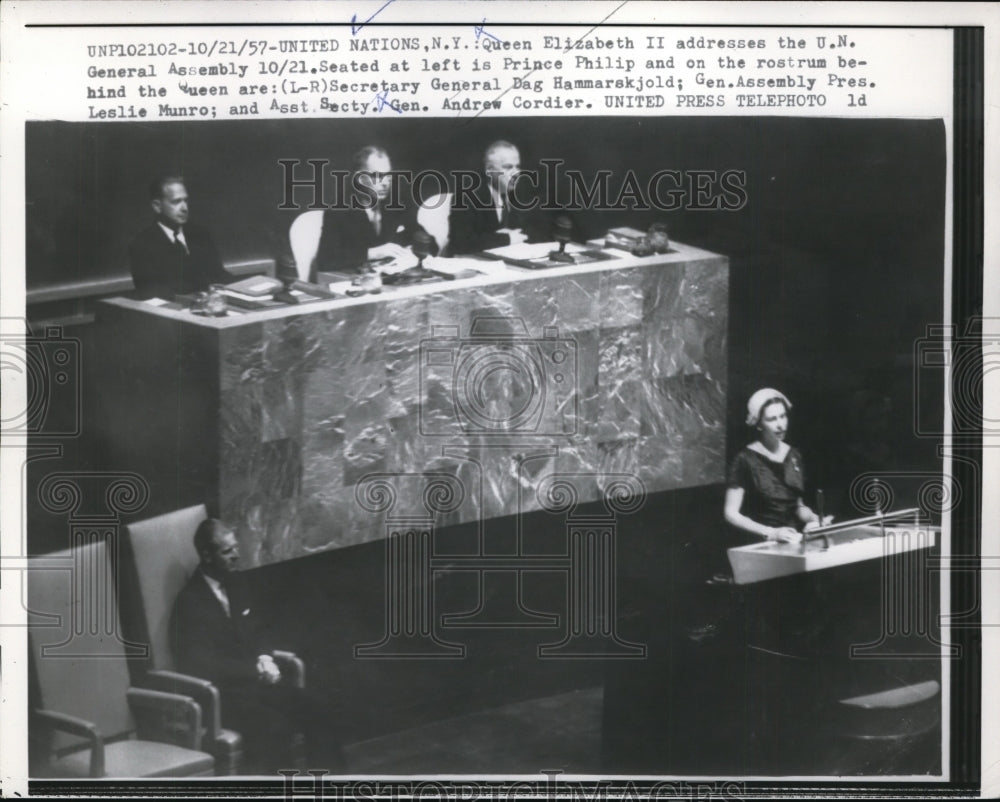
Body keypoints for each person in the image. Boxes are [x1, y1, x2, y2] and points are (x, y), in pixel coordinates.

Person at [170, 518, 342, 774]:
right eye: (227, 551)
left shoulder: (238, 584)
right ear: (206, 555)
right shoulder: (189, 603)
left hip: (259, 687)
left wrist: (264, 657)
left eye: (236, 548)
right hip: (224, 699)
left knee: (317, 706)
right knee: (275, 727)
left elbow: (260, 630)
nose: (237, 556)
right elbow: (202, 664)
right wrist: (255, 670)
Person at [724, 388, 832, 542]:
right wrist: (770, 533)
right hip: (760, 544)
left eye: (783, 416)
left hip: (792, 540)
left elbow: (797, 505)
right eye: (772, 419)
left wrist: (814, 519)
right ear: (759, 424)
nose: (780, 424)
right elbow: (730, 513)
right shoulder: (744, 459)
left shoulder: (794, 455)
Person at [310, 145, 434, 278]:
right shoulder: (340, 210)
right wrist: (373, 253)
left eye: (388, 175)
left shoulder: (398, 204)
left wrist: (416, 250)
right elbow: (326, 260)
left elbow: (430, 243)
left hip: (395, 279)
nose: (385, 183)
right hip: (358, 283)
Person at [129, 175, 232, 300]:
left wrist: (248, 287)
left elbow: (219, 275)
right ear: (157, 206)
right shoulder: (142, 244)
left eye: (186, 201)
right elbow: (150, 294)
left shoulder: (201, 235)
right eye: (176, 202)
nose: (185, 208)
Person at [448, 140, 549, 255]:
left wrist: (512, 236)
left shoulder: (521, 193)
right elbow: (460, 242)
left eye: (517, 166)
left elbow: (541, 231)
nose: (516, 173)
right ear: (489, 169)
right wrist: (506, 238)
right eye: (508, 167)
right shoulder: (467, 195)